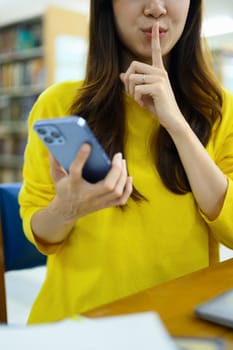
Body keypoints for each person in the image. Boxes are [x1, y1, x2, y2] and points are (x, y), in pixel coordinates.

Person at [19, 0, 233, 324]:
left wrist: (176, 124)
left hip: (179, 323)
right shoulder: (58, 104)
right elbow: (38, 230)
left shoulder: (220, 109)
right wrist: (66, 208)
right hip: (75, 324)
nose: (157, 7)